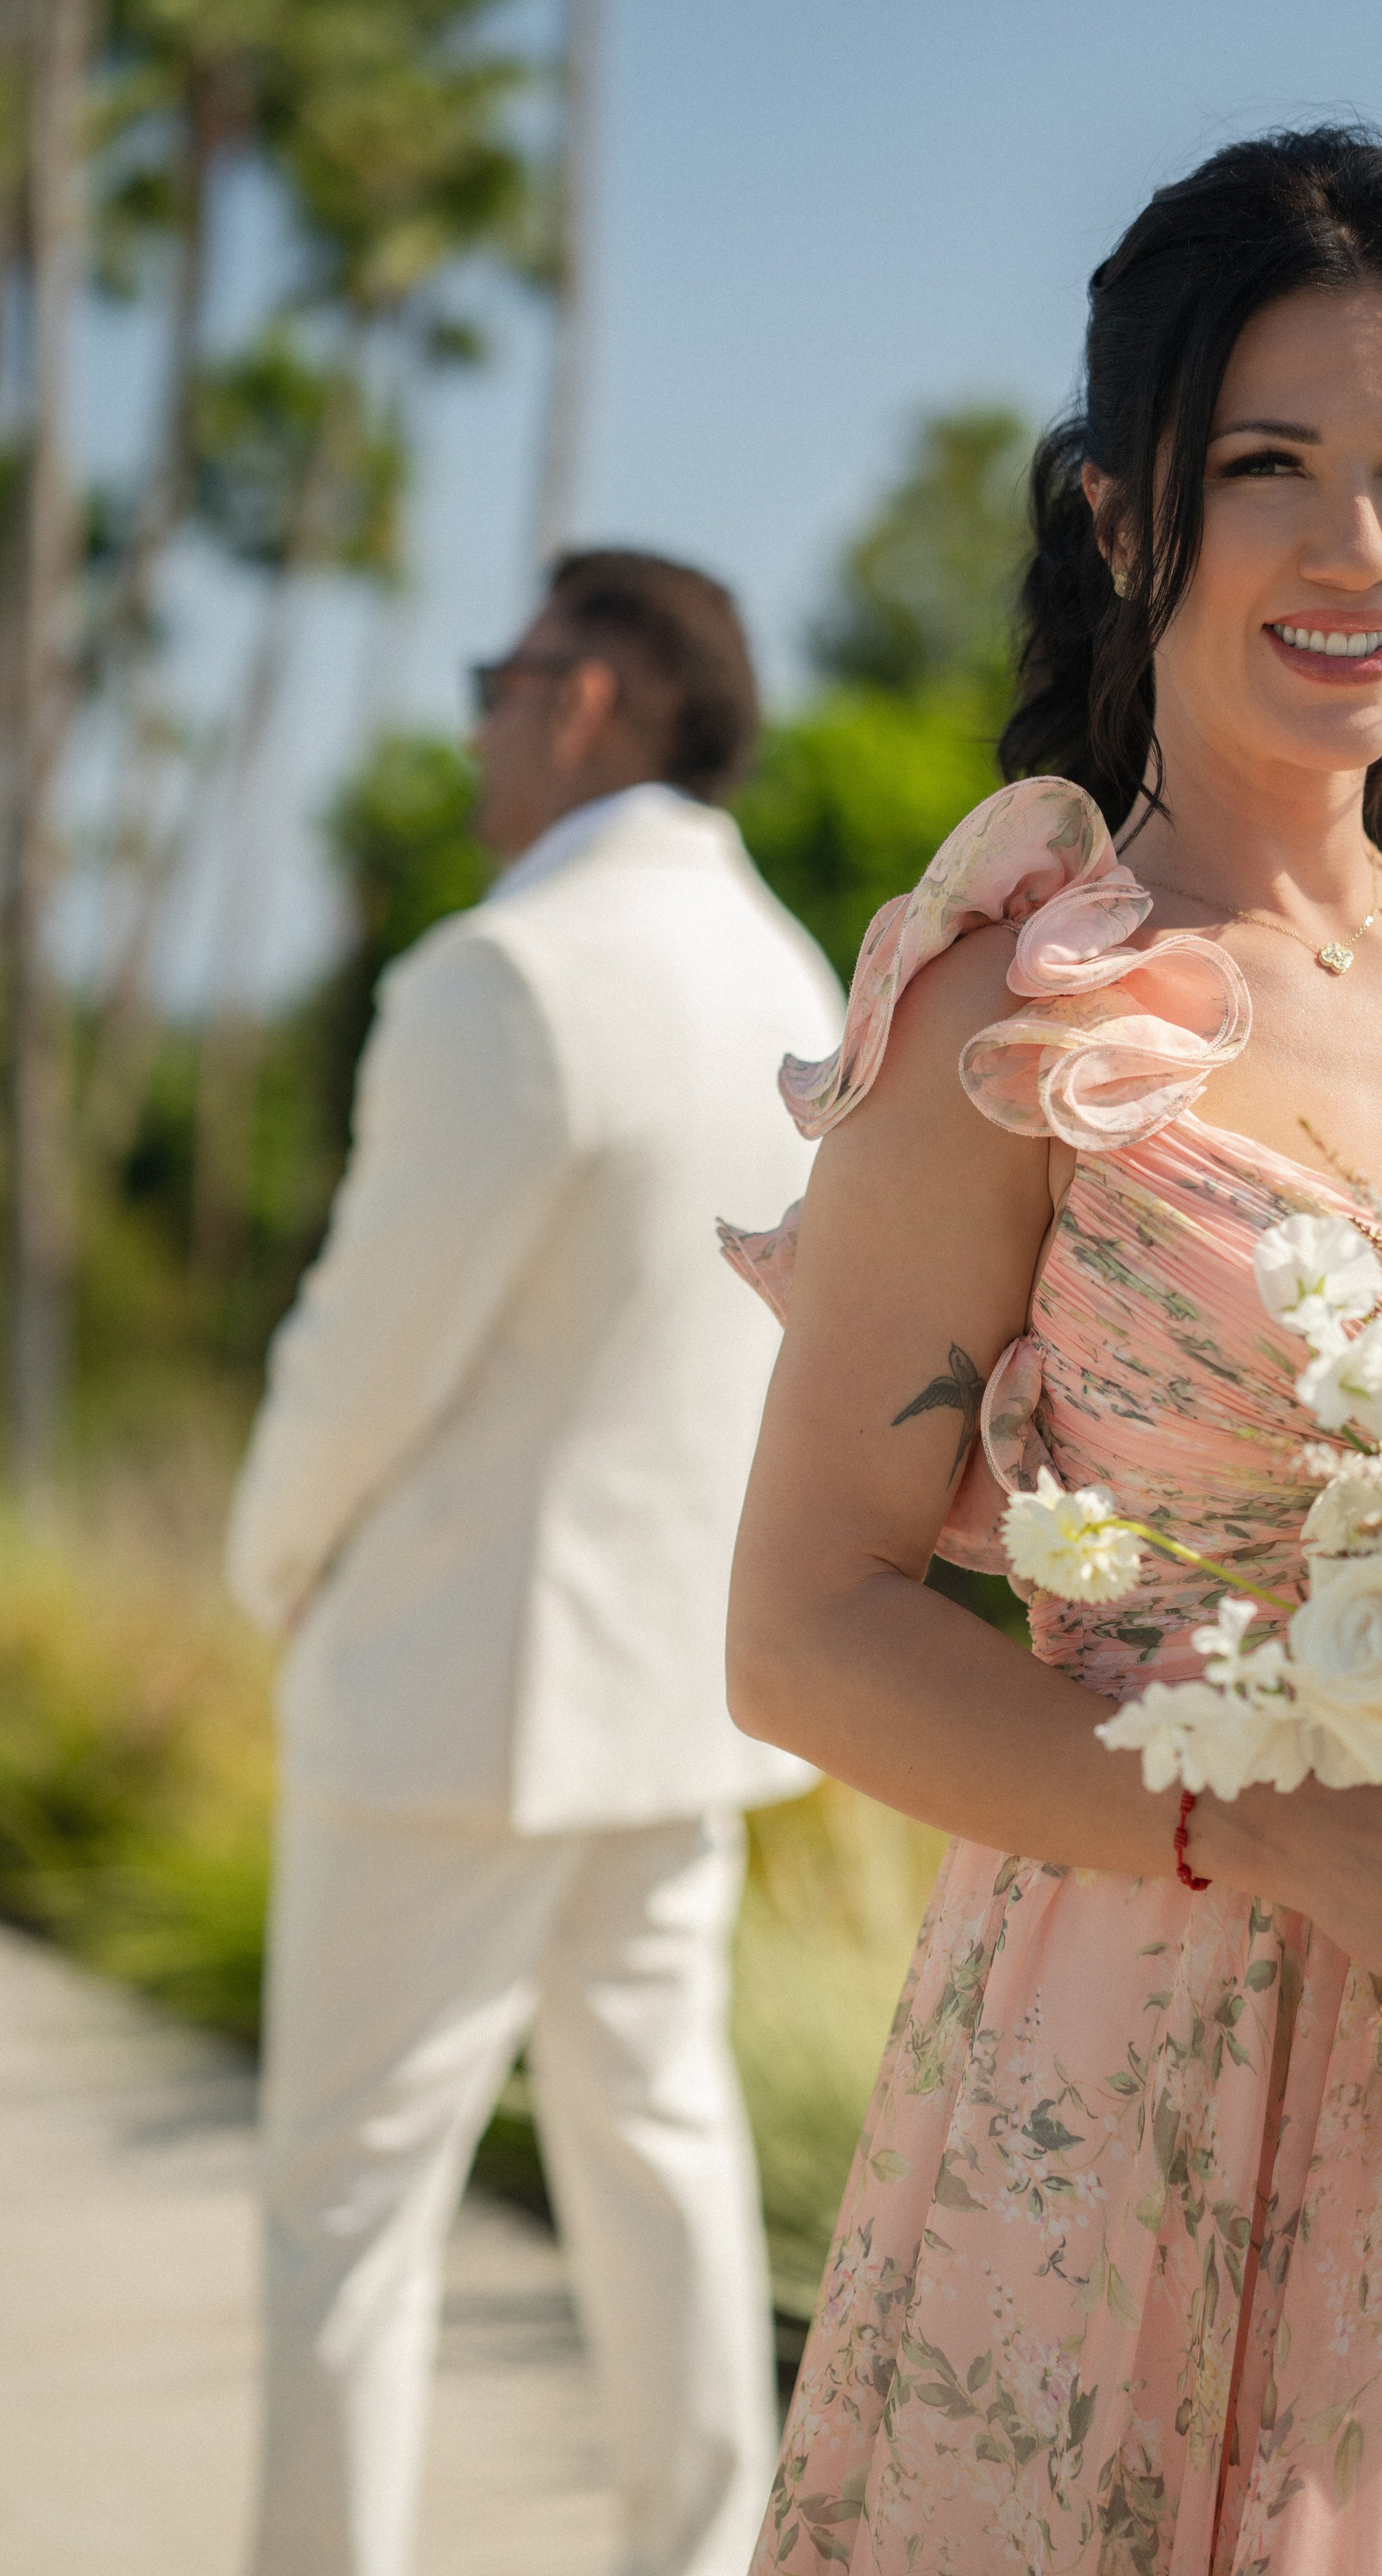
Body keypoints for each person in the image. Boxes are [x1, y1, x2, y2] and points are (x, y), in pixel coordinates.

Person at [720, 131, 1382, 2573]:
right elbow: (801, 1631)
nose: (1360, 549)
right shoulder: (1027, 1011)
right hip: (1136, 2096)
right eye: (1265, 468)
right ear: (1118, 517)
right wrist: (1284, 1832)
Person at [227, 549, 844, 2576]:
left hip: (447, 1698)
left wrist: (271, 1566)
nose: (476, 717)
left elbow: (359, 1354)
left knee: (348, 2211)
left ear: (587, 699)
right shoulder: (797, 982)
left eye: (499, 677)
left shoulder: (505, 978)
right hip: (685, 1694)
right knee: (661, 2164)